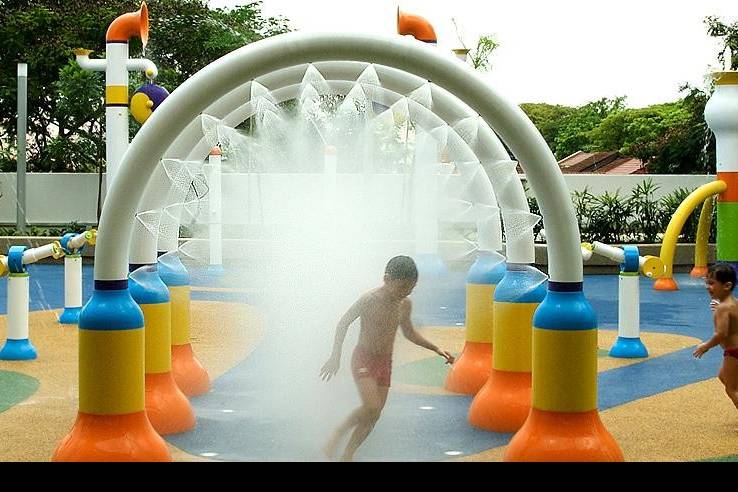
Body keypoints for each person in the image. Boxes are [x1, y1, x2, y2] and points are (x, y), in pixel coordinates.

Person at [319, 255, 455, 461]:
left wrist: (436, 348)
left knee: (374, 415)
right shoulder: (369, 300)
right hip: (364, 358)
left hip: (385, 362)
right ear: (386, 279)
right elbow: (343, 323)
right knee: (371, 407)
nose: (406, 292)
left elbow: (409, 333)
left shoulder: (404, 304)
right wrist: (335, 357)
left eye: (411, 288)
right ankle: (338, 433)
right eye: (402, 287)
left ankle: (348, 454)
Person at [693, 264, 738, 412]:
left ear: (727, 286)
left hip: (734, 352)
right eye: (707, 282)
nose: (708, 287)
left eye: (712, 283)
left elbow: (721, 334)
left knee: (731, 389)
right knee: (723, 376)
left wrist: (705, 346)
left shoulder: (723, 308)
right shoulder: (734, 302)